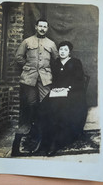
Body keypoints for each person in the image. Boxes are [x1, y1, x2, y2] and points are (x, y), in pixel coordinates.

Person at [11, 19, 58, 156]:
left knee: (46, 106)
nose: (42, 28)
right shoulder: (27, 41)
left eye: (45, 27)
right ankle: (30, 133)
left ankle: (44, 138)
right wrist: (28, 66)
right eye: (40, 26)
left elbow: (55, 60)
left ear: (47, 28)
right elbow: (18, 57)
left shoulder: (51, 44)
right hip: (29, 79)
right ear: (36, 26)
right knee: (31, 106)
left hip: (45, 79)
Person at [36, 41, 88, 156]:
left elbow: (79, 80)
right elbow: (55, 81)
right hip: (58, 92)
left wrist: (69, 88)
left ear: (69, 52)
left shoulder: (75, 62)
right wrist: (56, 90)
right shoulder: (56, 63)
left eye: (65, 50)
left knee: (60, 109)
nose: (62, 52)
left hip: (74, 92)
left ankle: (57, 143)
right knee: (43, 106)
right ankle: (45, 141)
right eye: (60, 50)